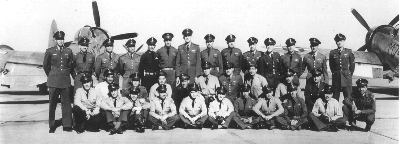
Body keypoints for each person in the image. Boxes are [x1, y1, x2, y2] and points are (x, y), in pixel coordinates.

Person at [43, 30, 73, 133]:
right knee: (52, 104)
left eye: (62, 39)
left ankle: (67, 125)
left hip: (65, 81)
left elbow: (70, 66)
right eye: (59, 39)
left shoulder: (68, 51)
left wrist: (64, 74)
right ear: (55, 40)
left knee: (66, 104)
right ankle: (52, 125)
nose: (61, 41)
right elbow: (45, 66)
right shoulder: (50, 51)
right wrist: (52, 75)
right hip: (53, 81)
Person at [329, 33, 355, 101]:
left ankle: (348, 111)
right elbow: (331, 66)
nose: (339, 42)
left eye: (341, 41)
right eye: (337, 41)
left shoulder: (349, 52)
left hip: (346, 78)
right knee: (335, 98)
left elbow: (352, 65)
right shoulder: (332, 53)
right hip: (336, 78)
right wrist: (335, 73)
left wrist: (349, 74)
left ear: (344, 41)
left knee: (348, 97)